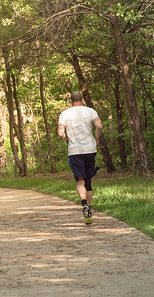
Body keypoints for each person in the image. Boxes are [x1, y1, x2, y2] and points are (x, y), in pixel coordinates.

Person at [58, 91, 103, 224]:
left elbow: (61, 132)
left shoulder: (65, 113)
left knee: (80, 180)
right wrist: (97, 139)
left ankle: (84, 205)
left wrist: (66, 138)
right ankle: (88, 211)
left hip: (74, 151)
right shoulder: (90, 111)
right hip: (90, 149)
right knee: (88, 181)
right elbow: (99, 125)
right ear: (81, 100)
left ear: (71, 100)